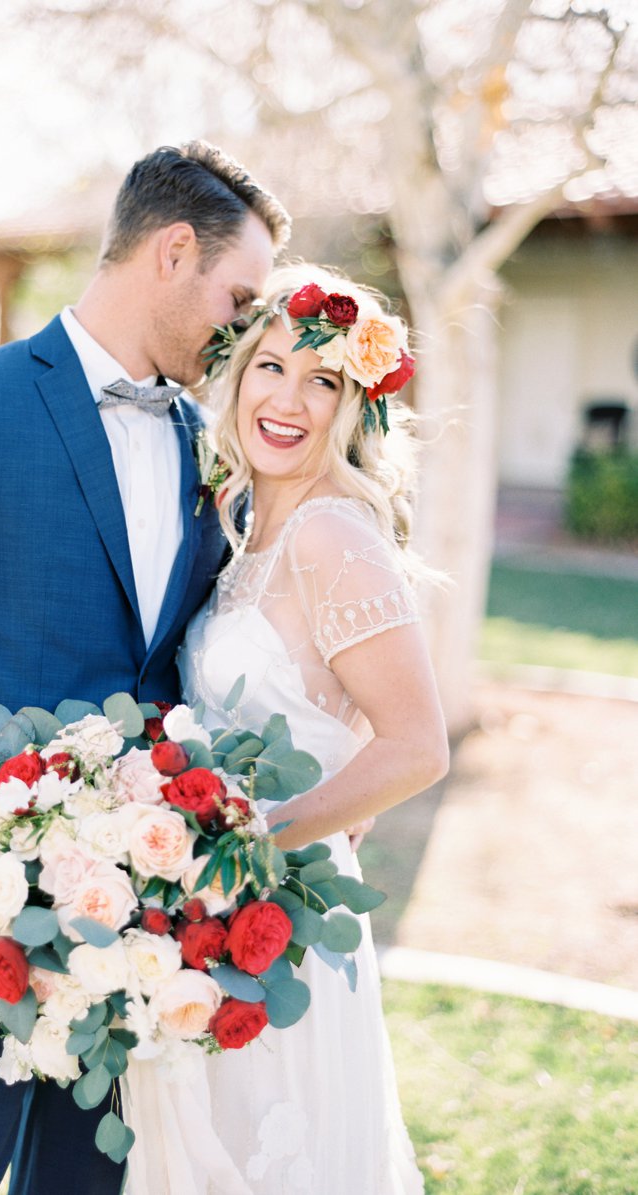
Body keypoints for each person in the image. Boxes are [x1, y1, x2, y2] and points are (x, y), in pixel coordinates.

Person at [0, 141, 290, 1195]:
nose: (244, 327)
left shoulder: (205, 437)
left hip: (135, 943)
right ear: (174, 251)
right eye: (239, 296)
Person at [125, 264, 449, 1193]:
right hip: (209, 925)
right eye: (271, 366)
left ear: (354, 405)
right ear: (235, 374)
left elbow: (417, 745)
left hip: (281, 920)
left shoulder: (330, 535)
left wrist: (249, 844)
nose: (289, 400)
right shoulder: (245, 531)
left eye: (324, 380)